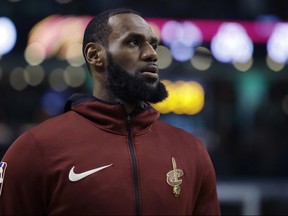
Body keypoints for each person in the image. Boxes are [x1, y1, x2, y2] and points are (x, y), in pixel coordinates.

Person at [0, 8, 221, 215]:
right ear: (95, 55)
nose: (152, 54)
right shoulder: (35, 149)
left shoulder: (191, 150)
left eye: (154, 44)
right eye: (134, 42)